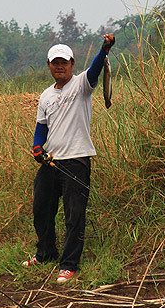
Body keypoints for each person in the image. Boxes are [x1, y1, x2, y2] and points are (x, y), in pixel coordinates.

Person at [23, 34, 115, 284]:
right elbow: (41, 128)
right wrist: (36, 148)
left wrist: (104, 50)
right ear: (49, 65)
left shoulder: (82, 85)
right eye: (55, 62)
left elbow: (96, 68)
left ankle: (69, 264)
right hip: (50, 161)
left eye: (64, 61)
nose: (60, 66)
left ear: (72, 63)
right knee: (41, 210)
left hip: (77, 160)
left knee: (74, 216)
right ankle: (45, 254)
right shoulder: (45, 96)